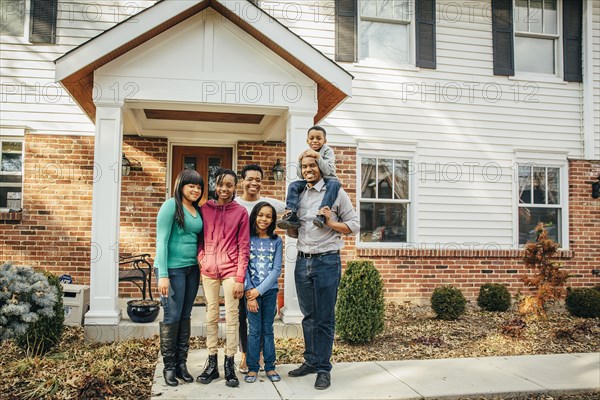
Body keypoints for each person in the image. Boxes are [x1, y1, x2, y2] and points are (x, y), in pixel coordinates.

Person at [284, 155, 359, 390]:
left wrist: (330, 223)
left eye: (312, 166)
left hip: (327, 261)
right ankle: (311, 361)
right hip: (302, 261)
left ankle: (324, 368)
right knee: (308, 316)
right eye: (304, 166)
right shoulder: (298, 194)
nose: (308, 170)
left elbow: (354, 226)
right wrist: (291, 228)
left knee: (325, 318)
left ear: (320, 168)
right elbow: (298, 232)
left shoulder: (335, 193)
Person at [196, 168, 250, 388]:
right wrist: (202, 258)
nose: (224, 189)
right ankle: (211, 364)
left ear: (235, 187)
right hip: (208, 270)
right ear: (215, 186)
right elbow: (199, 238)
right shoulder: (204, 209)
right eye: (221, 184)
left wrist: (240, 277)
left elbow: (244, 246)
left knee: (232, 317)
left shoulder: (240, 212)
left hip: (230, 271)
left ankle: (229, 363)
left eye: (229, 185)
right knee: (210, 316)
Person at [155, 169, 204, 387]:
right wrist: (163, 275)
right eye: (191, 185)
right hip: (171, 271)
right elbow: (162, 240)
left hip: (192, 270)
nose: (195, 190)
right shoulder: (171, 206)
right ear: (181, 186)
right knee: (172, 316)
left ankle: (182, 365)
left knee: (185, 315)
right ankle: (169, 367)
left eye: (199, 186)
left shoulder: (197, 210)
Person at [234, 164, 285, 373]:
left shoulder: (269, 204)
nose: (254, 183)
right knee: (242, 317)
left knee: (264, 323)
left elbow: (292, 206)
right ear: (242, 181)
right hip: (242, 270)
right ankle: (246, 354)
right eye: (250, 179)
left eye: (258, 179)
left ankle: (262, 355)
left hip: (265, 282)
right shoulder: (235, 204)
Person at [243, 201, 283, 383]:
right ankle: (252, 368)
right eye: (261, 215)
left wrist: (259, 291)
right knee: (254, 331)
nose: (264, 219)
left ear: (273, 220)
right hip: (250, 293)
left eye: (268, 216)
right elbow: (243, 266)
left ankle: (270, 366)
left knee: (268, 330)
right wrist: (250, 291)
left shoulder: (277, 241)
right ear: (255, 216)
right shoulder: (247, 239)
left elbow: (276, 270)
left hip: (268, 292)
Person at [277, 126, 341, 230]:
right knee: (294, 185)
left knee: (334, 184)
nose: (315, 141)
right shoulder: (307, 153)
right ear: (307, 140)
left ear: (325, 140)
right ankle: (292, 214)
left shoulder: (327, 151)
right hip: (314, 181)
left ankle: (321, 216)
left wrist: (318, 156)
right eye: (312, 138)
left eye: (318, 138)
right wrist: (299, 162)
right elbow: (301, 175)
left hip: (329, 179)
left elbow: (328, 171)